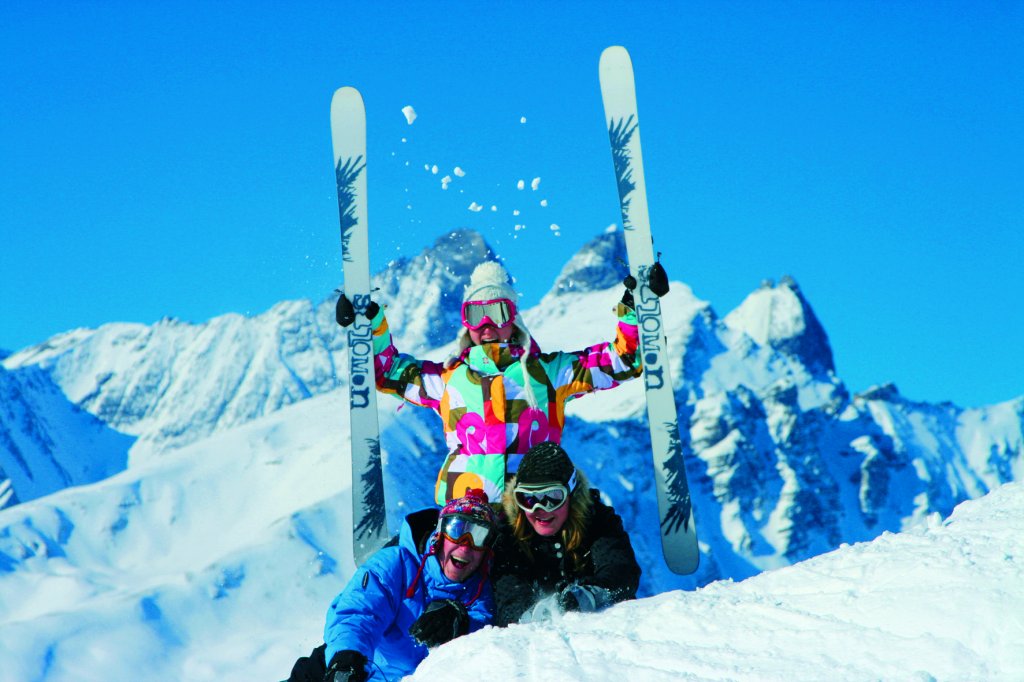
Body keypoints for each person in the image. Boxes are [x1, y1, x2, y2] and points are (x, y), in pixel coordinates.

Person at [337, 260, 649, 505]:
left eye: (496, 312)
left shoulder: (547, 373)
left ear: (513, 319)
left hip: (534, 507)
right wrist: (369, 324)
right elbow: (387, 371)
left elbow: (621, 361)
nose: (485, 326)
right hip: (467, 511)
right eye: (475, 315)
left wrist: (636, 310)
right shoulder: (449, 380)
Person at [286, 489, 498, 682]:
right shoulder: (396, 564)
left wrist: (460, 623)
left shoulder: (479, 593)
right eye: (457, 528)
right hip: (343, 668)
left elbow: (485, 632)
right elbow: (359, 613)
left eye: (479, 535)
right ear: (440, 534)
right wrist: (347, 659)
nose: (466, 544)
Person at [490, 441, 641, 626]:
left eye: (552, 497)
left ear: (571, 494)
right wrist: (530, 611)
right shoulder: (509, 535)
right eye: (528, 499)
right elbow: (507, 593)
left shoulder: (598, 521)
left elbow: (621, 571)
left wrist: (589, 593)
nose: (540, 509)